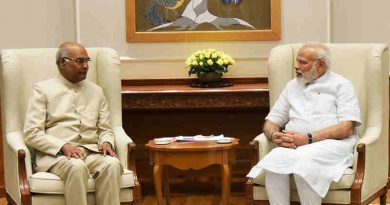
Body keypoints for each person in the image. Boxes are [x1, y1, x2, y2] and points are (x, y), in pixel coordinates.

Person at [247, 43, 361, 205]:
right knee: (274, 162)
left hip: (331, 144)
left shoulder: (342, 85)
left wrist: (307, 138)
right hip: (295, 145)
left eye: (302, 62)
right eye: (297, 61)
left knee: (305, 164)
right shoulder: (292, 86)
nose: (296, 66)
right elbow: (271, 121)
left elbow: (347, 127)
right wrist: (274, 134)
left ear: (320, 64)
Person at [23, 41, 123, 205]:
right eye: (79, 61)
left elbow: (106, 129)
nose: (85, 66)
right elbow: (31, 133)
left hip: (91, 152)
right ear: (62, 63)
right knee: (76, 167)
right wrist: (62, 146)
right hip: (58, 156)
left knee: (112, 164)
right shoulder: (42, 90)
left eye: (87, 61)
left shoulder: (96, 91)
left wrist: (106, 142)